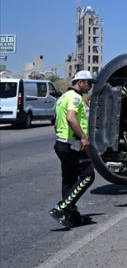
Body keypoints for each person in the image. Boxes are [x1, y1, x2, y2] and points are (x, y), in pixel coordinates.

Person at [50, 70, 96, 228]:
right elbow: (70, 118)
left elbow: (56, 122)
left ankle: (71, 216)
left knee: (69, 180)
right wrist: (83, 137)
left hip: (61, 144)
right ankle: (62, 208)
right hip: (72, 145)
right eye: (89, 83)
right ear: (80, 82)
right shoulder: (75, 97)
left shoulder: (63, 97)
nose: (90, 86)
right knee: (88, 175)